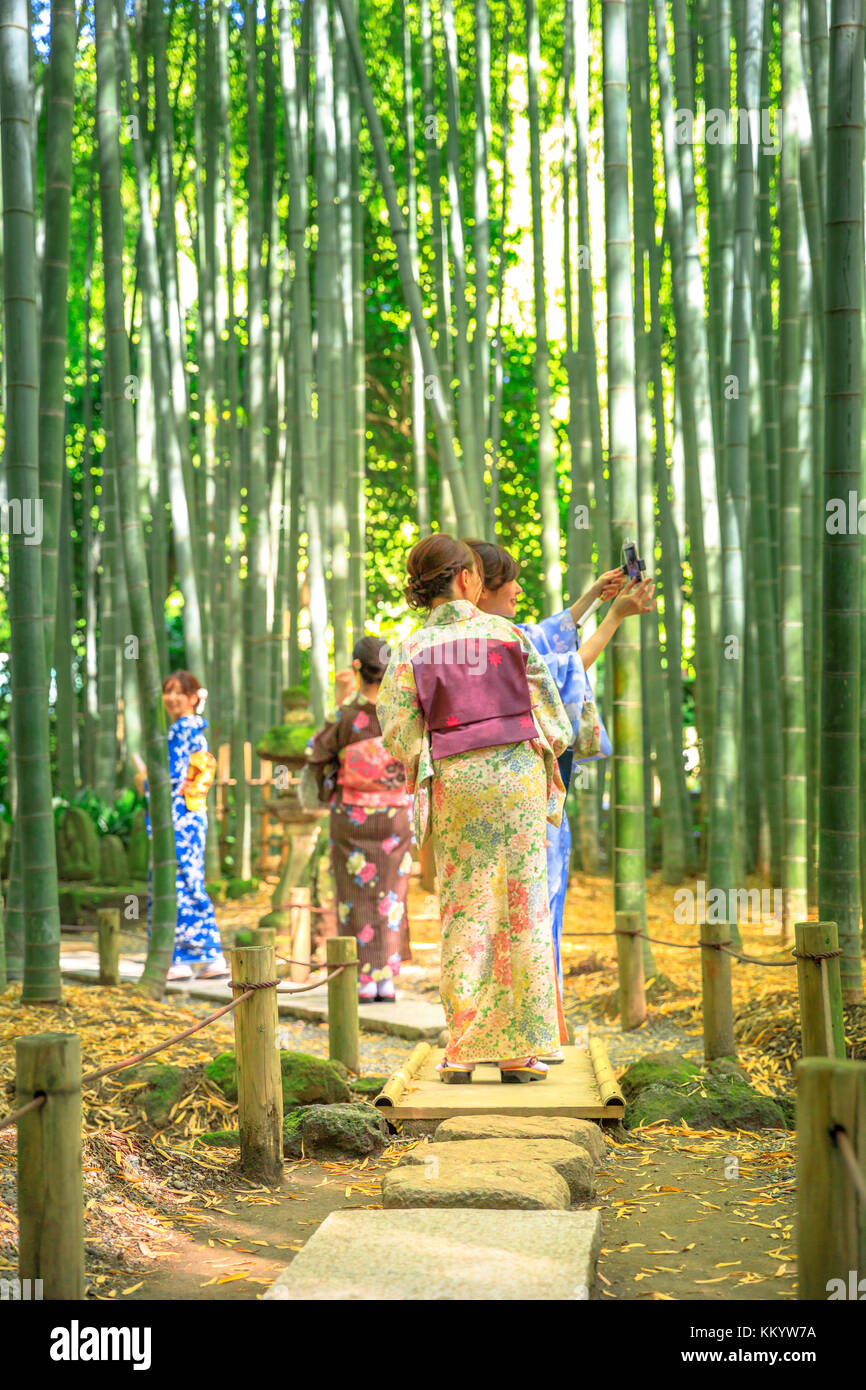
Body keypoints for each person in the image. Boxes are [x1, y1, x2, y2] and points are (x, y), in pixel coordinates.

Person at [377, 534, 573, 1083]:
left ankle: (462, 1050)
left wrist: (440, 748)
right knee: (522, 909)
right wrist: (532, 749)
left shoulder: (412, 647)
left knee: (465, 912)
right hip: (515, 779)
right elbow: (551, 714)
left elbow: (397, 730)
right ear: (466, 578)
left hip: (457, 780)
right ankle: (517, 1052)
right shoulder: (505, 635)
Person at [468, 540, 657, 1038]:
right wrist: (614, 617)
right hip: (525, 797)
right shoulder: (498, 640)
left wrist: (593, 597)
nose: (518, 588)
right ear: (476, 585)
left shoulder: (464, 638)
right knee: (535, 909)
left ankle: (515, 1027)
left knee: (495, 917)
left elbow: (548, 640)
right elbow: (560, 674)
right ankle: (535, 1029)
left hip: (479, 799)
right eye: (508, 579)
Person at [307, 636, 413, 1002]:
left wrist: (330, 784)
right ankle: (387, 978)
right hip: (396, 814)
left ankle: (364, 978)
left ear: (356, 667)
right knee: (391, 894)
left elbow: (317, 753)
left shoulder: (346, 714)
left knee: (355, 893)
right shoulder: (402, 712)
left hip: (352, 815)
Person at [135, 670, 226, 981]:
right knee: (188, 881)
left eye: (179, 692)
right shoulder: (193, 729)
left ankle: (184, 957)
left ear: (192, 698)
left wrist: (144, 779)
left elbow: (169, 780)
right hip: (189, 816)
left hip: (178, 818)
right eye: (168, 691)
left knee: (176, 882)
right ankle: (204, 955)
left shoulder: (181, 730)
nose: (172, 698)